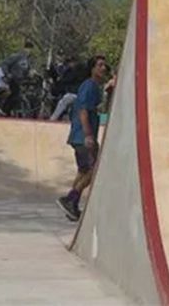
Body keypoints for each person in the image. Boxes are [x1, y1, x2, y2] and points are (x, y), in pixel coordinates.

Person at [56, 55, 110, 221]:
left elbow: (100, 110)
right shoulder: (89, 86)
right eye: (100, 65)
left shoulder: (94, 87)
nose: (103, 68)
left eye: (104, 65)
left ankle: (72, 206)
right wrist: (88, 135)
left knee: (83, 171)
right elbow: (83, 111)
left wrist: (109, 91)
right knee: (94, 170)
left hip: (78, 135)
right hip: (82, 135)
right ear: (92, 69)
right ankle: (70, 199)